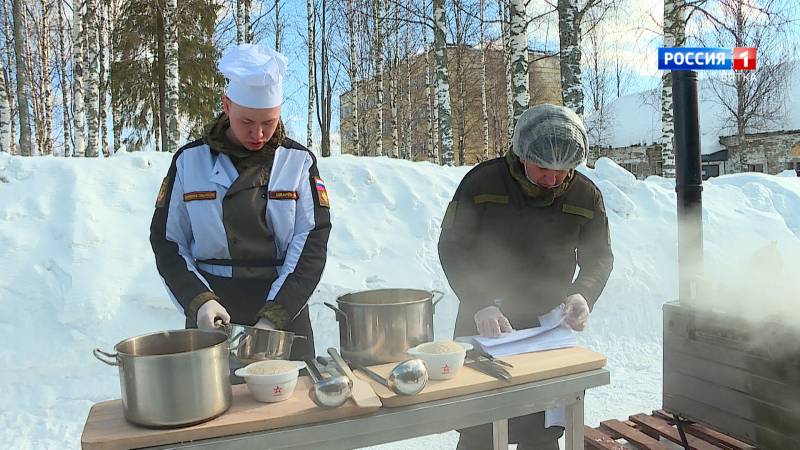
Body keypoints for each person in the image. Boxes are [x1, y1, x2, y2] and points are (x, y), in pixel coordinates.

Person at [437, 103, 613, 450]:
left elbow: (599, 257)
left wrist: (583, 294)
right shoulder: (482, 182)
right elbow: (452, 247)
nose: (552, 179)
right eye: (543, 169)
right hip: (486, 322)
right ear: (521, 155)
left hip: (546, 325)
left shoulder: (585, 194)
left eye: (562, 171)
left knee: (542, 428)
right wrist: (479, 303)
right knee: (480, 427)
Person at [149, 43, 331, 363]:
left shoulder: (297, 162)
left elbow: (312, 242)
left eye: (269, 122)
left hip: (285, 304)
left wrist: (277, 313)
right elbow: (168, 241)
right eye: (247, 121)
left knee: (293, 407)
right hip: (213, 307)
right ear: (227, 105)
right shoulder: (190, 162)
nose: (258, 133)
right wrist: (199, 301)